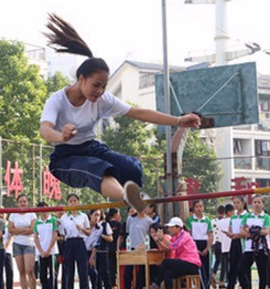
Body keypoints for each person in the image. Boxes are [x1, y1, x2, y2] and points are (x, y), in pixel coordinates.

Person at [40, 14, 200, 213]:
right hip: (65, 157)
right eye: (96, 85)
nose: (99, 91)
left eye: (104, 86)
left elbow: (139, 112)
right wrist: (60, 135)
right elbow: (45, 129)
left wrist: (179, 120)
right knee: (96, 168)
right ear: (81, 79)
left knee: (130, 167)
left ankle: (131, 195)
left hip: (91, 147)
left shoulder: (103, 99)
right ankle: (129, 197)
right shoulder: (57, 100)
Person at [150, 217, 202, 289]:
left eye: (171, 227)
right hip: (182, 262)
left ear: (179, 228)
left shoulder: (185, 235)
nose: (169, 229)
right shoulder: (175, 237)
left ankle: (157, 284)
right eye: (169, 227)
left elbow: (174, 246)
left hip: (191, 264)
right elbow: (168, 248)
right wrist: (159, 241)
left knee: (166, 262)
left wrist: (162, 238)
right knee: (168, 272)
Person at [236, 195, 270, 289]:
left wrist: (250, 230)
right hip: (249, 248)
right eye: (255, 202)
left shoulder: (266, 217)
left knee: (262, 272)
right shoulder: (247, 216)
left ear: (263, 204)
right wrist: (255, 233)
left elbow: (266, 231)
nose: (256, 204)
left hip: (262, 248)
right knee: (240, 270)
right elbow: (242, 231)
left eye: (259, 202)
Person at [58, 193, 91, 289]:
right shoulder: (64, 217)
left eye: (74, 201)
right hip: (69, 243)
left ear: (78, 202)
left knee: (82, 270)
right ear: (67, 203)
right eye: (70, 201)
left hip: (80, 241)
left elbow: (89, 232)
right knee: (69, 271)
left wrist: (81, 228)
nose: (73, 203)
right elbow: (62, 234)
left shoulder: (83, 216)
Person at [8, 194, 38, 289]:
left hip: (29, 244)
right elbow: (11, 229)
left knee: (29, 270)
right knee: (21, 271)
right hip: (17, 244)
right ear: (17, 203)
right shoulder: (13, 214)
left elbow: (32, 229)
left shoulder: (31, 214)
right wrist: (24, 230)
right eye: (20, 201)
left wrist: (18, 230)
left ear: (27, 202)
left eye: (24, 201)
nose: (22, 203)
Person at [219, 197, 249, 289]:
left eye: (238, 202)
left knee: (242, 269)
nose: (236, 205)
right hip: (234, 243)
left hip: (244, 244)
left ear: (243, 203)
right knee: (232, 268)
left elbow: (246, 232)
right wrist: (230, 235)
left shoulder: (247, 216)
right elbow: (230, 230)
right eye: (234, 203)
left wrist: (236, 235)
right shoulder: (233, 217)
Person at [125, 206, 153, 289]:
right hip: (131, 247)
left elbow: (149, 236)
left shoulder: (149, 221)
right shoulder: (130, 218)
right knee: (127, 271)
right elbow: (127, 233)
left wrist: (144, 246)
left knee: (142, 271)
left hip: (143, 249)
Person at [186, 200, 214, 289]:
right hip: (195, 244)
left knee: (207, 271)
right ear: (194, 208)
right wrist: (195, 249)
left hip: (205, 245)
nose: (199, 208)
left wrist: (207, 248)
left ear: (203, 208)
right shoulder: (190, 220)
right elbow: (189, 235)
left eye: (200, 206)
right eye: (197, 206)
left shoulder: (207, 220)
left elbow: (210, 235)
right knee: (200, 271)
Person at [33, 202, 59, 289]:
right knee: (42, 274)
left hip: (51, 252)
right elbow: (35, 237)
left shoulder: (53, 220)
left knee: (52, 274)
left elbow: (55, 235)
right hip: (41, 252)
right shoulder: (37, 222)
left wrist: (48, 250)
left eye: (44, 208)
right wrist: (41, 251)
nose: (43, 211)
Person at [106, 208, 122, 289]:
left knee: (111, 269)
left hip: (108, 249)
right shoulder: (119, 225)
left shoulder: (106, 224)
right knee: (118, 268)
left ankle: (113, 287)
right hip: (118, 249)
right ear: (115, 214)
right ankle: (118, 287)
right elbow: (121, 237)